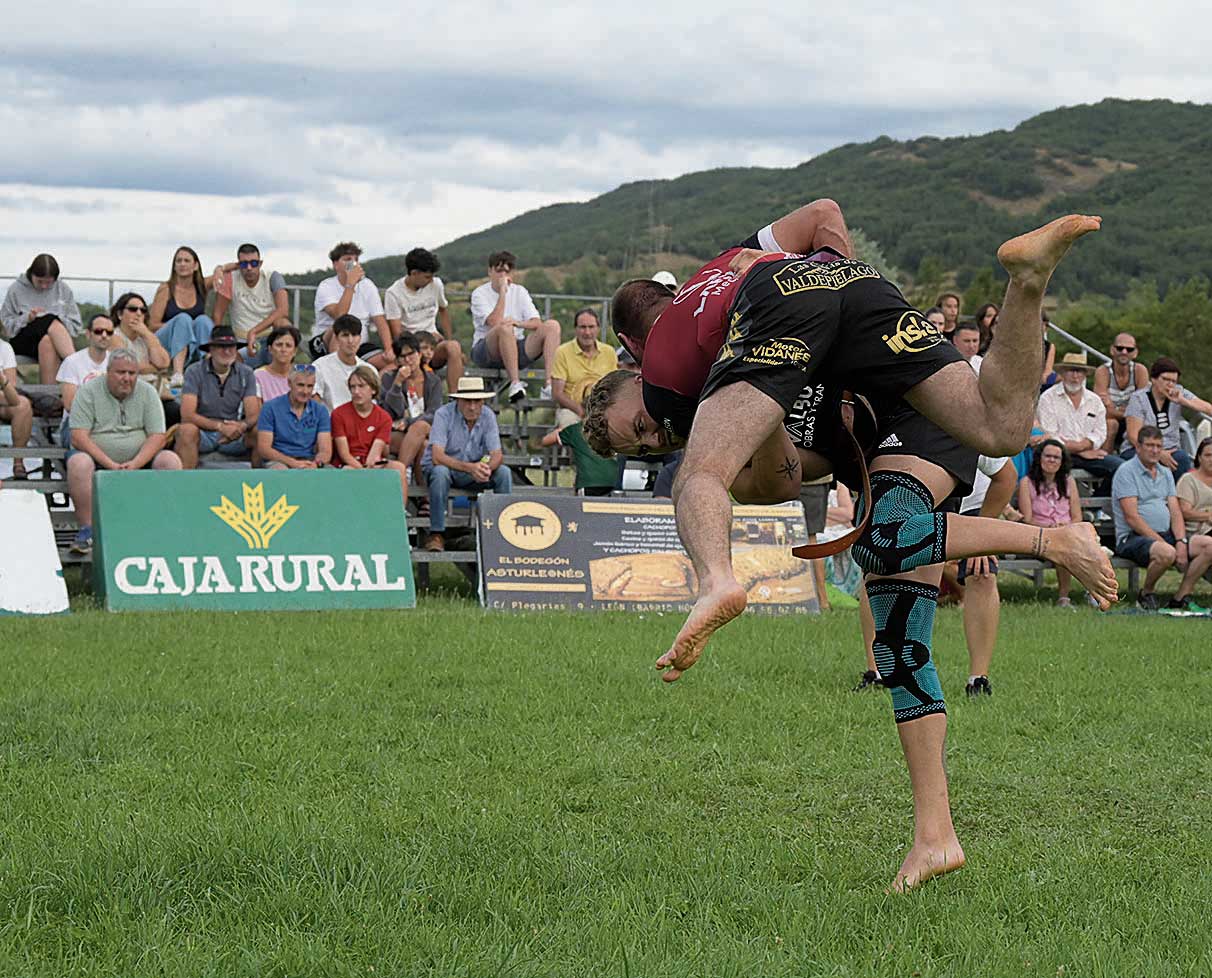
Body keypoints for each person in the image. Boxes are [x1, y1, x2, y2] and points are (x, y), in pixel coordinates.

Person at [587, 200, 1115, 892]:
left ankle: (718, 578)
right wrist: (779, 382)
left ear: (633, 369)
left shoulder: (675, 361)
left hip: (896, 405)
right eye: (647, 442)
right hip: (862, 326)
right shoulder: (733, 344)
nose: (659, 430)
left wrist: (791, 289)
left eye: (641, 424)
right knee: (910, 616)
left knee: (738, 486)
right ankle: (936, 837)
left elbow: (716, 463)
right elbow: (781, 481)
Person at [66, 349, 182, 554]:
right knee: (79, 463)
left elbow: (157, 437)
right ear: (108, 372)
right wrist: (110, 464)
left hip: (139, 458)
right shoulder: (88, 391)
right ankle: (87, 530)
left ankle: (163, 528)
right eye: (121, 373)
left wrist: (136, 463)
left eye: (132, 373)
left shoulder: (148, 393)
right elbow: (78, 437)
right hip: (97, 458)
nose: (127, 378)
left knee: (170, 460)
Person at [1112, 425, 1211, 610]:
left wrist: (1181, 541)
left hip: (1166, 534)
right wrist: (1164, 543)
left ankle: (1181, 596)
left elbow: (1175, 511)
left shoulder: (1165, 472)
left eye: (1158, 446)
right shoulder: (1126, 472)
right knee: (1167, 553)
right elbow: (1132, 517)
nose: (1155, 450)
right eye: (1149, 445)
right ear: (1138, 447)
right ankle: (1146, 594)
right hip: (1133, 537)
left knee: (1209, 545)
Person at [421, 377, 512, 552]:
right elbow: (437, 456)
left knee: (504, 473)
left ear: (482, 401)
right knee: (440, 473)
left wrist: (486, 468)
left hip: (473, 470)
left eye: (476, 401)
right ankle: (437, 533)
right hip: (447, 469)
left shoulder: (488, 415)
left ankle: (502, 531)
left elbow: (497, 454)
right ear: (458, 401)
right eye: (467, 401)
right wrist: (471, 468)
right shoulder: (443, 414)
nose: (472, 406)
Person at [469, 250, 560, 403]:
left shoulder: (520, 291)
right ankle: (515, 383)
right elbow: (493, 322)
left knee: (552, 326)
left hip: (515, 346)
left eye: (507, 271)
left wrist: (518, 323)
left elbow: (536, 322)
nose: (503, 275)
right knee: (504, 327)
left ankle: (549, 385)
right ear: (490, 271)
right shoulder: (479, 293)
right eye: (499, 270)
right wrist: (503, 293)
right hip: (486, 350)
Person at [1036, 351, 1123, 492]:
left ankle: (1096, 509)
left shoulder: (1094, 400)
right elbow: (1049, 434)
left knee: (1122, 469)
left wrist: (1083, 446)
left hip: (1088, 453)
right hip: (1057, 454)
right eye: (1071, 371)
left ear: (1085, 375)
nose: (1075, 376)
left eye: (1079, 371)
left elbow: (1100, 432)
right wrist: (1080, 450)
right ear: (1063, 373)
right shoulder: (1048, 398)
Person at [176, 326, 259, 469]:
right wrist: (220, 427)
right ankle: (186, 486)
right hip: (203, 433)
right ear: (211, 349)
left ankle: (263, 485)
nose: (227, 351)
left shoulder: (246, 373)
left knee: (261, 432)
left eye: (231, 347)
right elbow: (187, 415)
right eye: (221, 347)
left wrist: (240, 427)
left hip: (234, 433)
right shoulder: (194, 371)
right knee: (186, 431)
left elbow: (253, 414)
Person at [384, 247, 463, 392]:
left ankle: (455, 398)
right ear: (414, 273)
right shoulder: (394, 294)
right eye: (427, 277)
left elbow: (443, 310)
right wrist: (421, 342)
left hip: (434, 345)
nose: (431, 280)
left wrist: (447, 338)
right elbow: (397, 334)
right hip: (412, 349)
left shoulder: (436, 284)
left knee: (454, 347)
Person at [1018, 439, 1083, 606]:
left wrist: (1065, 528)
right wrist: (1050, 528)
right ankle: (1064, 597)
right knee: (1064, 549)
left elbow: (1077, 517)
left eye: (1056, 457)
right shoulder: (1027, 483)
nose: (1052, 460)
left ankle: (1095, 593)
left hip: (1068, 532)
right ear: (1040, 458)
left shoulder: (1069, 482)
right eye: (1048, 456)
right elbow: (1027, 520)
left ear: (1062, 462)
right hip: (1040, 534)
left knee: (1082, 547)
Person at [312, 242, 395, 371]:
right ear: (335, 264)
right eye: (347, 260)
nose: (353, 263)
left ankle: (369, 387)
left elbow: (380, 320)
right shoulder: (326, 286)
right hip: (329, 341)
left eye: (356, 260)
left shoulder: (367, 285)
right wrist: (350, 284)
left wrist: (389, 349)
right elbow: (340, 316)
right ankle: (337, 374)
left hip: (359, 344)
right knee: (342, 327)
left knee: (393, 364)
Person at [1124, 357, 1212, 477]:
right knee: (1141, 461)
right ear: (1154, 379)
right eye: (1165, 379)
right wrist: (1158, 453)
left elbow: (1208, 409)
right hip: (1139, 448)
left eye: (1173, 381)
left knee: (1182, 459)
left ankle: (1178, 496)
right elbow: (1133, 435)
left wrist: (1184, 401)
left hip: (1171, 448)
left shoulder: (1179, 392)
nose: (1170, 384)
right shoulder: (1138, 398)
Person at [0, 253, 81, 383]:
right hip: (23, 340)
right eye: (40, 282)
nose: (44, 286)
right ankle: (79, 367)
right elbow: (5, 326)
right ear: (31, 275)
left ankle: (47, 397)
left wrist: (57, 318)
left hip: (56, 341)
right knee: (48, 319)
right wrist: (27, 318)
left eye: (48, 283)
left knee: (47, 340)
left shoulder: (63, 289)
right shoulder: (16, 289)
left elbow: (76, 326)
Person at [149, 245, 222, 386]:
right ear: (174, 266)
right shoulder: (166, 289)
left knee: (203, 320)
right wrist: (181, 327)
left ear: (195, 266)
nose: (182, 264)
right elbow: (152, 325)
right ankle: (177, 375)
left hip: (191, 342)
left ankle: (209, 368)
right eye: (178, 261)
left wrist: (219, 268)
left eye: (186, 261)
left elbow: (225, 271)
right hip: (165, 342)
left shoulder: (201, 286)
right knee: (183, 319)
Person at [331, 365, 409, 496]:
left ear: (373, 389)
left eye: (361, 386)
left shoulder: (383, 417)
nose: (356, 391)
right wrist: (362, 471)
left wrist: (368, 469)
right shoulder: (338, 414)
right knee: (348, 470)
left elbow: (375, 454)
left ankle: (399, 513)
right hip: (349, 463)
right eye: (353, 387)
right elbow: (344, 454)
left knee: (399, 468)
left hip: (372, 462)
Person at [210, 243, 291, 365]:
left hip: (271, 337)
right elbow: (218, 315)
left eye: (253, 263)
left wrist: (253, 332)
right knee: (233, 359)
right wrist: (217, 344)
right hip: (242, 340)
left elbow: (283, 310)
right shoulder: (230, 279)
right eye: (243, 264)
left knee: (284, 324)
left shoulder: (272, 277)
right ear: (238, 265)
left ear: (260, 263)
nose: (249, 268)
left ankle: (284, 373)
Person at [109, 292, 178, 426]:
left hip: (154, 394)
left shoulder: (146, 337)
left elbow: (164, 363)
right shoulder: (114, 336)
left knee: (177, 412)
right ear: (120, 314)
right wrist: (154, 368)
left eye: (143, 310)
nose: (139, 313)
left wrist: (147, 334)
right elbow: (127, 366)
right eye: (133, 309)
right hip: (128, 396)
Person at [379, 332, 441, 480]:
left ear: (419, 354)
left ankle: (398, 475)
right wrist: (397, 384)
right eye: (402, 357)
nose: (408, 360)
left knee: (420, 428)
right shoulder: (389, 378)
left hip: (424, 430)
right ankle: (423, 499)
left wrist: (409, 423)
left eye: (411, 354)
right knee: (423, 446)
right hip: (396, 433)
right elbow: (389, 412)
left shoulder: (433, 381)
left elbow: (434, 413)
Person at [550, 307, 618, 428]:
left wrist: (599, 413)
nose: (587, 332)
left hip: (602, 410)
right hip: (572, 410)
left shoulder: (609, 352)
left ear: (598, 328)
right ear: (575, 329)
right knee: (570, 426)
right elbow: (557, 393)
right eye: (582, 327)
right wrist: (581, 411)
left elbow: (614, 388)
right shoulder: (563, 352)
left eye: (591, 327)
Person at [256, 365, 332, 470]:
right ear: (289, 383)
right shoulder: (270, 408)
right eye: (300, 385)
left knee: (331, 472)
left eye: (310, 386)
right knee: (281, 470)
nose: (305, 391)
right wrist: (293, 463)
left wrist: (316, 463)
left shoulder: (320, 411)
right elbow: (264, 449)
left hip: (309, 460)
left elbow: (326, 450)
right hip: (279, 460)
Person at [1092, 332, 1148, 451]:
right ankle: (1105, 461)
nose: (1124, 352)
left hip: (1133, 422)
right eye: (1120, 348)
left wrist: (1114, 408)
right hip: (1110, 422)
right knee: (1111, 424)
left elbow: (1143, 408)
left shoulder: (1140, 371)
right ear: (1112, 350)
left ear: (1135, 353)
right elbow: (1101, 410)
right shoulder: (1103, 372)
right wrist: (1130, 410)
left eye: (1129, 349)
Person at [314, 315, 375, 410]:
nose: (350, 341)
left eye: (354, 335)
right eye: (345, 335)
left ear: (360, 338)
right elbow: (314, 404)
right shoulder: (320, 366)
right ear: (337, 338)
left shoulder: (370, 370)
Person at [58, 313, 116, 412]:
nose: (104, 335)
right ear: (88, 334)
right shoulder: (72, 362)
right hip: (77, 421)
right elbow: (70, 405)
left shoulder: (116, 362)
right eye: (98, 331)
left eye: (109, 332)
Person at [0, 335, 34, 479]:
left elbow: (12, 392)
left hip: (3, 400)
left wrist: (2, 380)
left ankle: (18, 463)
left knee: (23, 405)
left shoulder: (4, 347)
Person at [1176, 436, 1212, 541]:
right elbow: (1185, 512)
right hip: (1199, 531)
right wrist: (1208, 516)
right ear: (1199, 458)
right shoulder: (1188, 480)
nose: (1211, 459)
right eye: (1208, 455)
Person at [254, 326, 302, 403]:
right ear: (270, 349)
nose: (283, 349)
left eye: (288, 345)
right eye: (279, 345)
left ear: (295, 351)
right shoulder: (258, 376)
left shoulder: (303, 375)